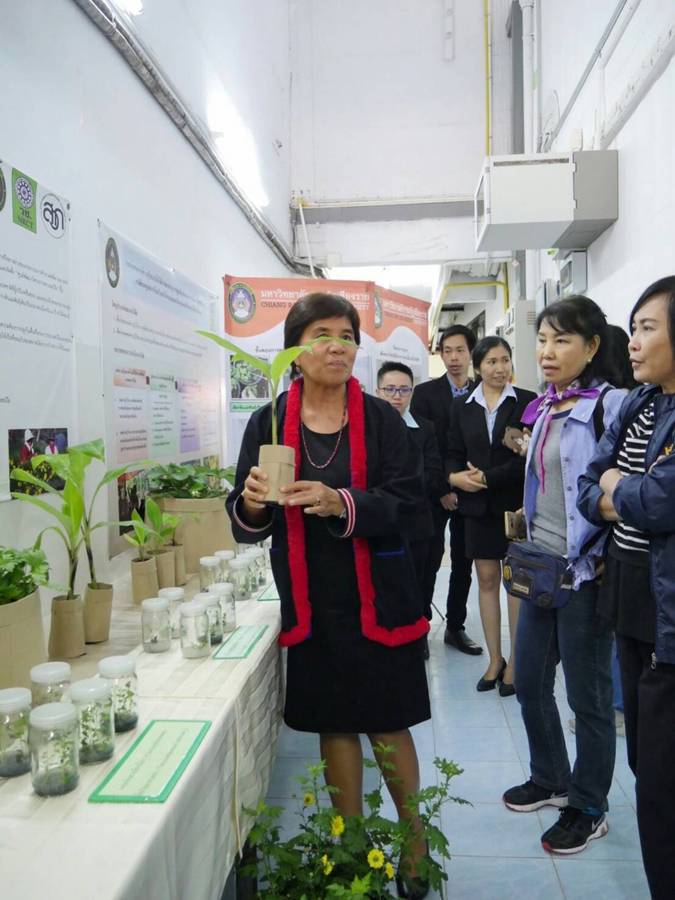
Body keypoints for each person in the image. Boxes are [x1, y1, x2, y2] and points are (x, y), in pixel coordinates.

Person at [227, 293, 432, 898]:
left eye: (347, 335)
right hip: (312, 595)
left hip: (377, 594)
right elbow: (245, 518)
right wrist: (253, 503)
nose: (337, 346)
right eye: (322, 335)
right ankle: (351, 846)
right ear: (295, 350)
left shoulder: (381, 420)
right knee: (336, 723)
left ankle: (414, 843)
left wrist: (339, 502)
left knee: (388, 721)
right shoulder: (268, 423)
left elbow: (408, 504)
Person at [501, 295, 625, 855]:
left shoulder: (610, 406)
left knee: (588, 698)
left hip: (586, 574)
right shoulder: (545, 405)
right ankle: (550, 777)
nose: (547, 352)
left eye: (562, 340)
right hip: (542, 569)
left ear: (592, 346)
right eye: (543, 340)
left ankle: (590, 806)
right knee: (529, 681)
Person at [577, 276, 675, 898]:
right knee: (645, 762)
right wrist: (620, 489)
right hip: (633, 601)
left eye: (647, 328)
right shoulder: (640, 403)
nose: (633, 342)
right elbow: (590, 486)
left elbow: (660, 502)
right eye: (633, 328)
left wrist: (621, 487)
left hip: (670, 615)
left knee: (662, 781)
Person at [446, 337, 536, 696]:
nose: (500, 368)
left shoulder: (527, 401)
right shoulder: (462, 406)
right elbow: (452, 451)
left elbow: (527, 458)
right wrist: (455, 477)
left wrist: (487, 478)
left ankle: (516, 662)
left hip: (514, 508)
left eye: (505, 360)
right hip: (476, 509)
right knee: (485, 580)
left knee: (515, 584)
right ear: (478, 366)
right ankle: (495, 659)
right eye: (492, 362)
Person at [410, 325, 481, 655]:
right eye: (447, 351)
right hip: (434, 493)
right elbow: (425, 448)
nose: (454, 357)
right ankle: (420, 627)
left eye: (460, 350)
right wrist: (442, 488)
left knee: (465, 563)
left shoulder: (482, 391)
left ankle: (455, 626)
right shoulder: (425, 394)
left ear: (471, 353)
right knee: (430, 560)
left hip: (473, 493)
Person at [376, 361, 446, 658]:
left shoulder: (424, 428)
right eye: (390, 389)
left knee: (420, 581)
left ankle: (419, 633)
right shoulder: (366, 427)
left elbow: (433, 474)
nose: (397, 396)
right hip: (379, 523)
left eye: (404, 390)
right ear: (378, 391)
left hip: (417, 521)